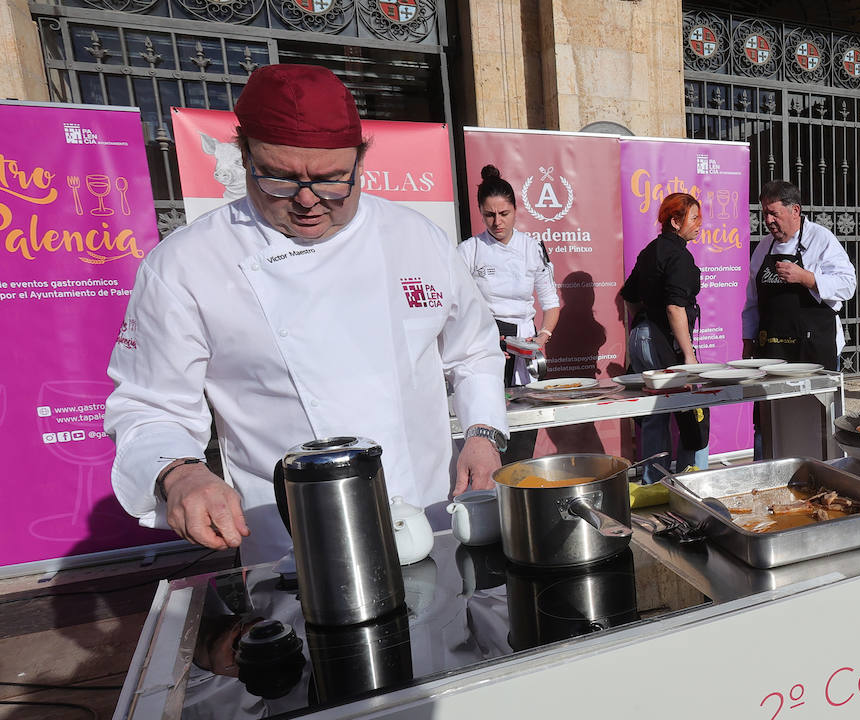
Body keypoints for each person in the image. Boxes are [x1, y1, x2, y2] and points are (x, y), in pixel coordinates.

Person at [105, 64, 508, 566]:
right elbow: (150, 406)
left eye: (332, 180)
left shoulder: (416, 239)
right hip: (291, 546)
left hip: (429, 517)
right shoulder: (186, 264)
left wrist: (483, 434)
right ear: (243, 155)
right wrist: (181, 473)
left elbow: (472, 351)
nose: (307, 201)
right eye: (279, 177)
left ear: (360, 159)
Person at [457, 164, 561, 462]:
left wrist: (542, 337)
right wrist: (485, 341)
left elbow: (551, 303)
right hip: (485, 346)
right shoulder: (469, 250)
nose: (497, 222)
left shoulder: (531, 248)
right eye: (489, 215)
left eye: (504, 214)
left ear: (515, 210)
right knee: (488, 429)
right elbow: (460, 306)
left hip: (525, 346)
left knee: (523, 434)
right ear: (480, 212)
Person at [620, 193, 709, 482]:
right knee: (690, 411)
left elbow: (630, 296)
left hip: (641, 337)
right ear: (675, 221)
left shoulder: (650, 250)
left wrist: (640, 329)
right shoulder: (680, 255)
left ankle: (653, 484)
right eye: (694, 218)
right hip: (662, 341)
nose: (700, 224)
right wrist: (689, 355)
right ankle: (691, 483)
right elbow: (675, 307)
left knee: (654, 415)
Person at [740, 179, 856, 369]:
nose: (768, 220)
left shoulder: (821, 239)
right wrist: (748, 339)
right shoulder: (763, 247)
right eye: (765, 214)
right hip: (772, 350)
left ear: (795, 210)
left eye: (773, 213)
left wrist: (806, 278)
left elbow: (848, 285)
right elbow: (752, 300)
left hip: (813, 348)